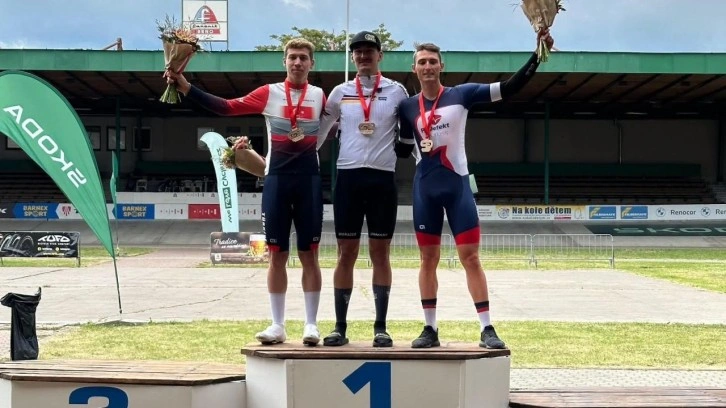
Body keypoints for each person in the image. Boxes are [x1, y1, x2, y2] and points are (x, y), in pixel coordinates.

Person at [397, 31, 554, 348]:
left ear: (441, 66)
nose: (427, 67)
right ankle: (429, 329)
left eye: (432, 61)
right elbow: (402, 148)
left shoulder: (462, 94)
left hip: (457, 186)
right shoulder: (407, 107)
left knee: (470, 258)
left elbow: (509, 88)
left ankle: (487, 328)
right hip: (425, 189)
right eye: (422, 62)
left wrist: (537, 56)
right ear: (414, 69)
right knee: (427, 260)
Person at [165, 38, 326, 346]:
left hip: (309, 181)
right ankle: (277, 325)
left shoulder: (319, 96)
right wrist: (186, 87)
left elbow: (335, 125)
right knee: (276, 256)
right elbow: (226, 107)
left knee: (310, 255)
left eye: (303, 58)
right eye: (292, 57)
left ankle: (311, 325)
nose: (297, 62)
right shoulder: (269, 93)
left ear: (311, 63)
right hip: (277, 181)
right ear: (284, 61)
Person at [317, 31, 409, 347]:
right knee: (346, 253)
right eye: (358, 51)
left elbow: (411, 127)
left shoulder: (396, 91)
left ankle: (380, 327)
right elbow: (320, 131)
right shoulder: (340, 92)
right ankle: (339, 327)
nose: (363, 55)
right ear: (352, 57)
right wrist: (299, 156)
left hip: (382, 180)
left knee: (380, 254)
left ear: (380, 55)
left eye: (369, 50)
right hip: (348, 179)